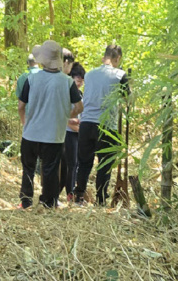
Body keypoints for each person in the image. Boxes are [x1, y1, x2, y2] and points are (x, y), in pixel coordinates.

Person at [17, 40, 83, 209]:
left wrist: (25, 122)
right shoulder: (67, 82)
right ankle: (48, 202)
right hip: (53, 135)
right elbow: (79, 107)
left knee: (28, 169)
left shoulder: (31, 79)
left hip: (31, 133)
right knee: (51, 170)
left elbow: (21, 105)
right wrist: (65, 115)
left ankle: (26, 201)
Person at [74, 45, 129, 206]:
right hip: (106, 125)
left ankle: (79, 196)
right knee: (104, 164)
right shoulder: (120, 75)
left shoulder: (90, 74)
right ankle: (101, 199)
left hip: (86, 123)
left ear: (103, 57)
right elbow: (128, 100)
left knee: (84, 162)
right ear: (117, 58)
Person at [60, 62, 85, 200]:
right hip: (67, 132)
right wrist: (74, 124)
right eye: (77, 78)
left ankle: (71, 191)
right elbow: (63, 116)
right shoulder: (66, 92)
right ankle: (70, 192)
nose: (80, 81)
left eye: (82, 79)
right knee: (70, 164)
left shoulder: (80, 94)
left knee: (75, 164)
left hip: (77, 133)